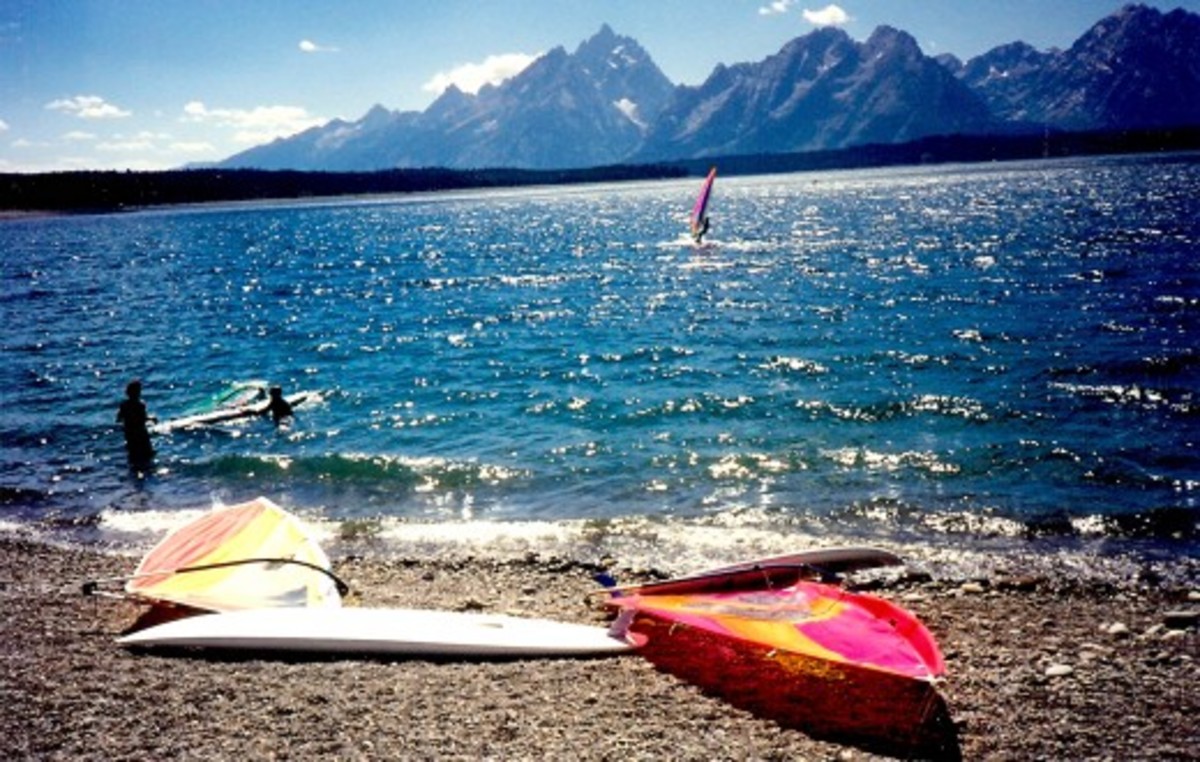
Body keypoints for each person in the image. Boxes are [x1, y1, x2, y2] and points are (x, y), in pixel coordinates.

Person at [116, 379, 154, 465]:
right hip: (141, 433)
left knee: (133, 456)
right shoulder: (140, 405)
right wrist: (152, 418)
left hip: (129, 434)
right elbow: (143, 418)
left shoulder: (123, 405)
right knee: (148, 455)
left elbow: (118, 419)